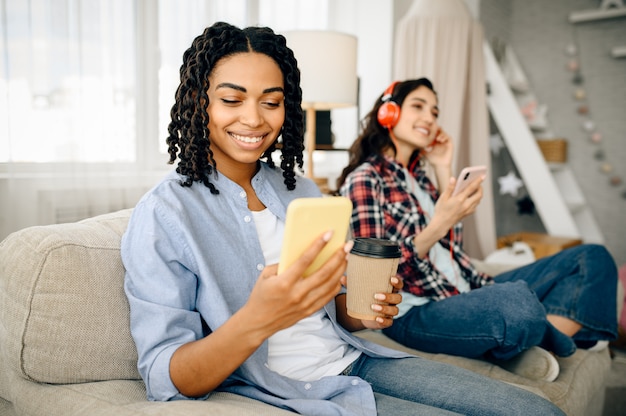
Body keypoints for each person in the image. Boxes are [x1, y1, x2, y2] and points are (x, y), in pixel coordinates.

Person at [121, 22, 566, 416]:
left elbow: (336, 311)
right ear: (200, 102)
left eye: (271, 103)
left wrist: (366, 309)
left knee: (536, 411)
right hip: (284, 387)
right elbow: (165, 375)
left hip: (357, 359)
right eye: (232, 99)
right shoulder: (166, 213)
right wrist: (257, 318)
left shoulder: (302, 192)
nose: (253, 118)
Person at [336, 78, 618, 382]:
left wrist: (444, 166)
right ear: (388, 113)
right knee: (516, 304)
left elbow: (452, 251)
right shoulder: (366, 179)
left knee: (593, 258)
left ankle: (530, 345)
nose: (430, 118)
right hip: (414, 311)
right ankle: (550, 337)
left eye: (434, 112)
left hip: (466, 289)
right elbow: (377, 274)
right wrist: (439, 224)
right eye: (418, 106)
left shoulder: (421, 177)